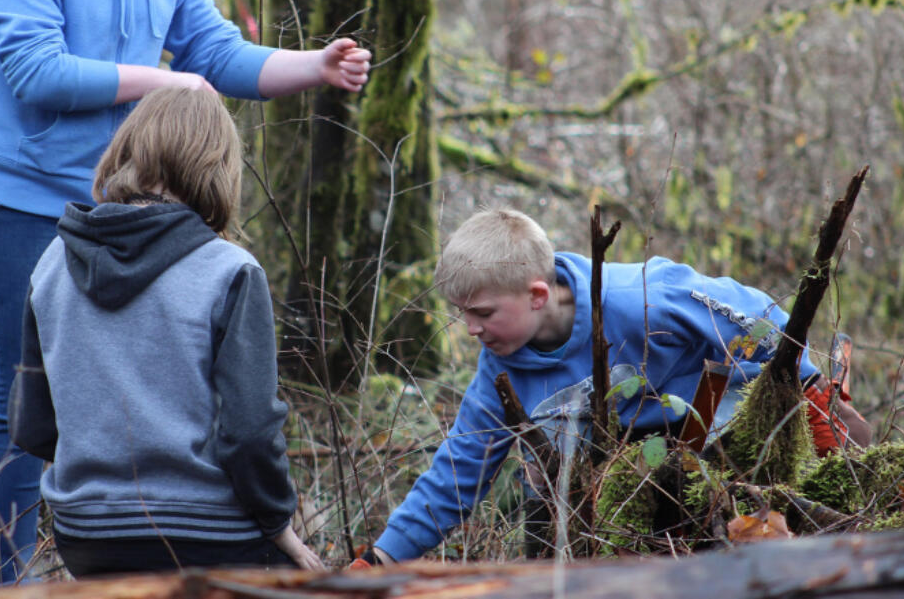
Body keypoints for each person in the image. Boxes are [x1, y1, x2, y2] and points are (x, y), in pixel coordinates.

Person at [0, 0, 369, 583]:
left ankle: (116, 552)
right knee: (19, 399)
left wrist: (315, 66)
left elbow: (214, 51)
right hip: (19, 195)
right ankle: (3, 577)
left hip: (115, 202)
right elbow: (35, 71)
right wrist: (160, 84)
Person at [353, 208, 871, 566]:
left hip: (716, 456)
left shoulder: (636, 298)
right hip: (600, 491)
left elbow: (748, 313)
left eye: (482, 313)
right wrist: (380, 559)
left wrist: (810, 387)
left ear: (537, 295)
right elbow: (456, 475)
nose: (470, 329)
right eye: (463, 314)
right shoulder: (499, 371)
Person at [9, 87, 323, 576]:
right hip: (208, 536)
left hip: (85, 533)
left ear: (126, 152)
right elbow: (249, 434)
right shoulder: (231, 270)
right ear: (216, 170)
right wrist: (278, 522)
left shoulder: (51, 263)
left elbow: (33, 423)